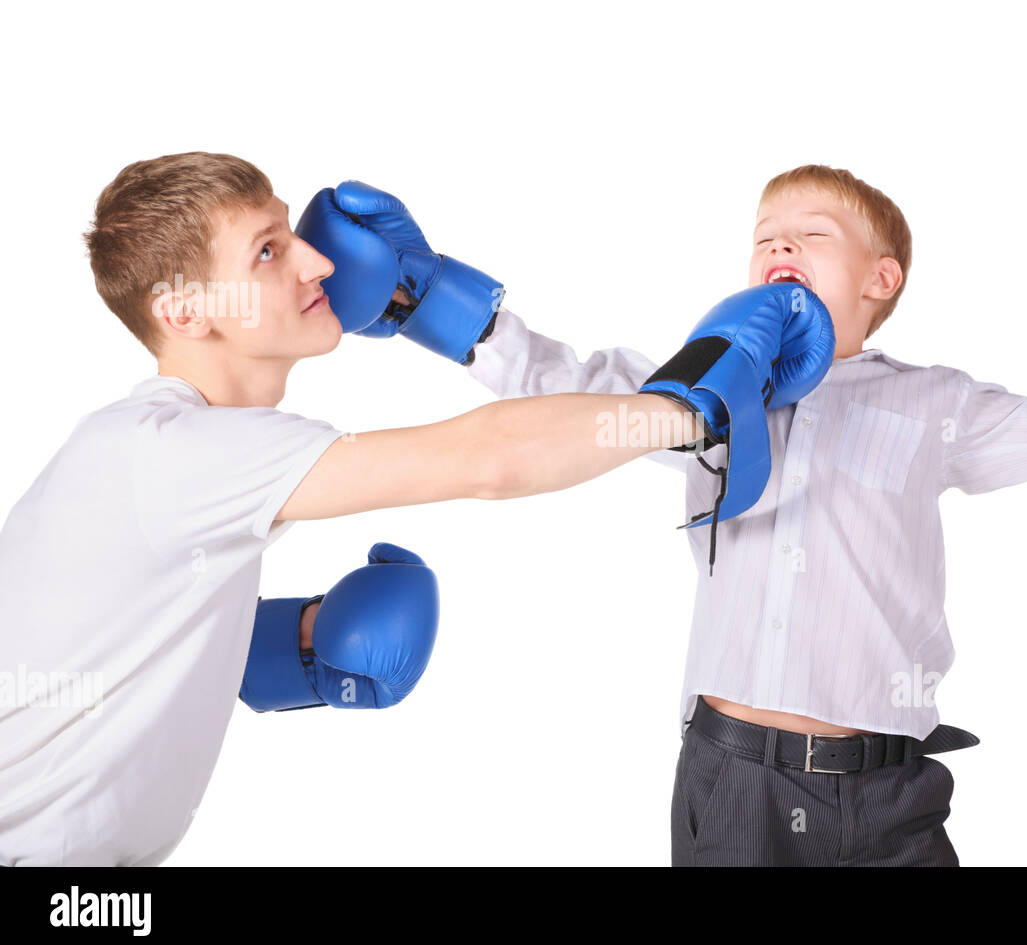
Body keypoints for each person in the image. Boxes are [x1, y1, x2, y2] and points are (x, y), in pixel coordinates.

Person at [318, 126, 1027, 865]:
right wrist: (420, 295)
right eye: (765, 237)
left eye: (812, 236)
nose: (781, 246)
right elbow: (555, 383)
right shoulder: (694, 398)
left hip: (887, 789)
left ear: (880, 280)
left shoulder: (932, 403)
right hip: (732, 779)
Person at [0, 151, 826, 865]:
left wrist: (297, 646)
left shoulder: (167, 455)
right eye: (266, 253)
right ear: (183, 312)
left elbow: (104, 638)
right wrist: (696, 408)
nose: (316, 263)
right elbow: (488, 460)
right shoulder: (175, 452)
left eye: (290, 232)